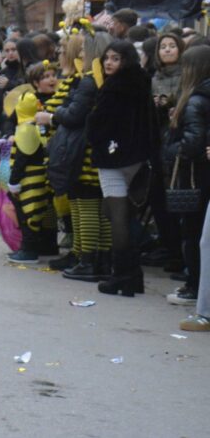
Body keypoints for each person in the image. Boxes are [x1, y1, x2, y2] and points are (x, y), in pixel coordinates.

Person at [35, 31, 113, 279]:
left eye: (81, 51)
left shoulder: (89, 80)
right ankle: (90, 257)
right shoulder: (95, 79)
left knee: (87, 205)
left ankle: (89, 260)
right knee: (89, 206)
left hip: (85, 153)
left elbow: (73, 114)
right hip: (90, 150)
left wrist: (52, 117)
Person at [86, 41, 158, 296]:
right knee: (127, 216)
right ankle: (133, 276)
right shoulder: (142, 83)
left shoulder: (113, 88)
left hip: (113, 158)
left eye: (115, 59)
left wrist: (94, 138)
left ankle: (122, 276)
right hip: (138, 158)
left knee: (118, 218)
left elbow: (97, 123)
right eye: (107, 58)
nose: (108, 63)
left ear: (125, 60)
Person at [164, 45, 210, 310]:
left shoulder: (194, 100)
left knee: (193, 233)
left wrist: (169, 149)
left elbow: (191, 143)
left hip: (195, 176)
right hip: (204, 174)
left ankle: (194, 285)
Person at [5, 61, 60, 263]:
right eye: (46, 76)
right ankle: (47, 245)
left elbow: (22, 157)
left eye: (54, 75)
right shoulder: (33, 124)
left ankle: (30, 249)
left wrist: (14, 181)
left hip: (31, 176)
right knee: (40, 209)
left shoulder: (27, 129)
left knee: (28, 212)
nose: (52, 79)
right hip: (42, 170)